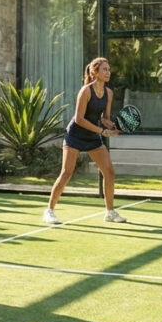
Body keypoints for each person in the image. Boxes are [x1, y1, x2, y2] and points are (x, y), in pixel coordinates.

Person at [43, 56, 123, 225]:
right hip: (75, 135)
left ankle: (110, 212)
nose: (108, 72)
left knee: (109, 172)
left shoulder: (108, 93)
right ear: (95, 72)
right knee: (66, 173)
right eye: (105, 69)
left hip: (93, 136)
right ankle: (49, 211)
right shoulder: (85, 91)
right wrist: (102, 131)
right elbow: (79, 119)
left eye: (109, 69)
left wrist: (114, 126)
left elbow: (104, 118)